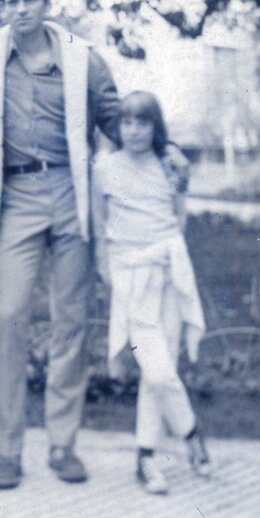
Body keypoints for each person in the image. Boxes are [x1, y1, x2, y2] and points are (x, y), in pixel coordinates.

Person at [0, 0, 120, 489]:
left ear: (46, 3)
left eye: (29, 0)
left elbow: (114, 114)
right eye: (11, 1)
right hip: (16, 194)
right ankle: (9, 450)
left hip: (70, 192)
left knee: (70, 320)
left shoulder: (82, 56)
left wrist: (163, 145)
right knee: (10, 315)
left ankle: (63, 445)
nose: (20, 10)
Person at [91, 90, 211, 495]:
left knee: (160, 373)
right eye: (127, 122)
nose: (134, 131)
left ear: (155, 126)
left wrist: (164, 254)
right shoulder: (105, 168)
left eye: (142, 122)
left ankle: (146, 458)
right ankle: (191, 432)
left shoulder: (171, 163)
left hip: (169, 272)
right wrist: (109, 268)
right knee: (156, 368)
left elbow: (179, 218)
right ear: (118, 127)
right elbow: (100, 226)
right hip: (130, 276)